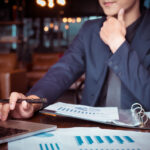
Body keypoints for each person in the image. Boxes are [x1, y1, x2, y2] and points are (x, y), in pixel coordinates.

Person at [0, 0, 150, 121]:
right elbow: (63, 71)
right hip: (90, 131)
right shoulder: (90, 30)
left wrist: (118, 43)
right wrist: (31, 102)